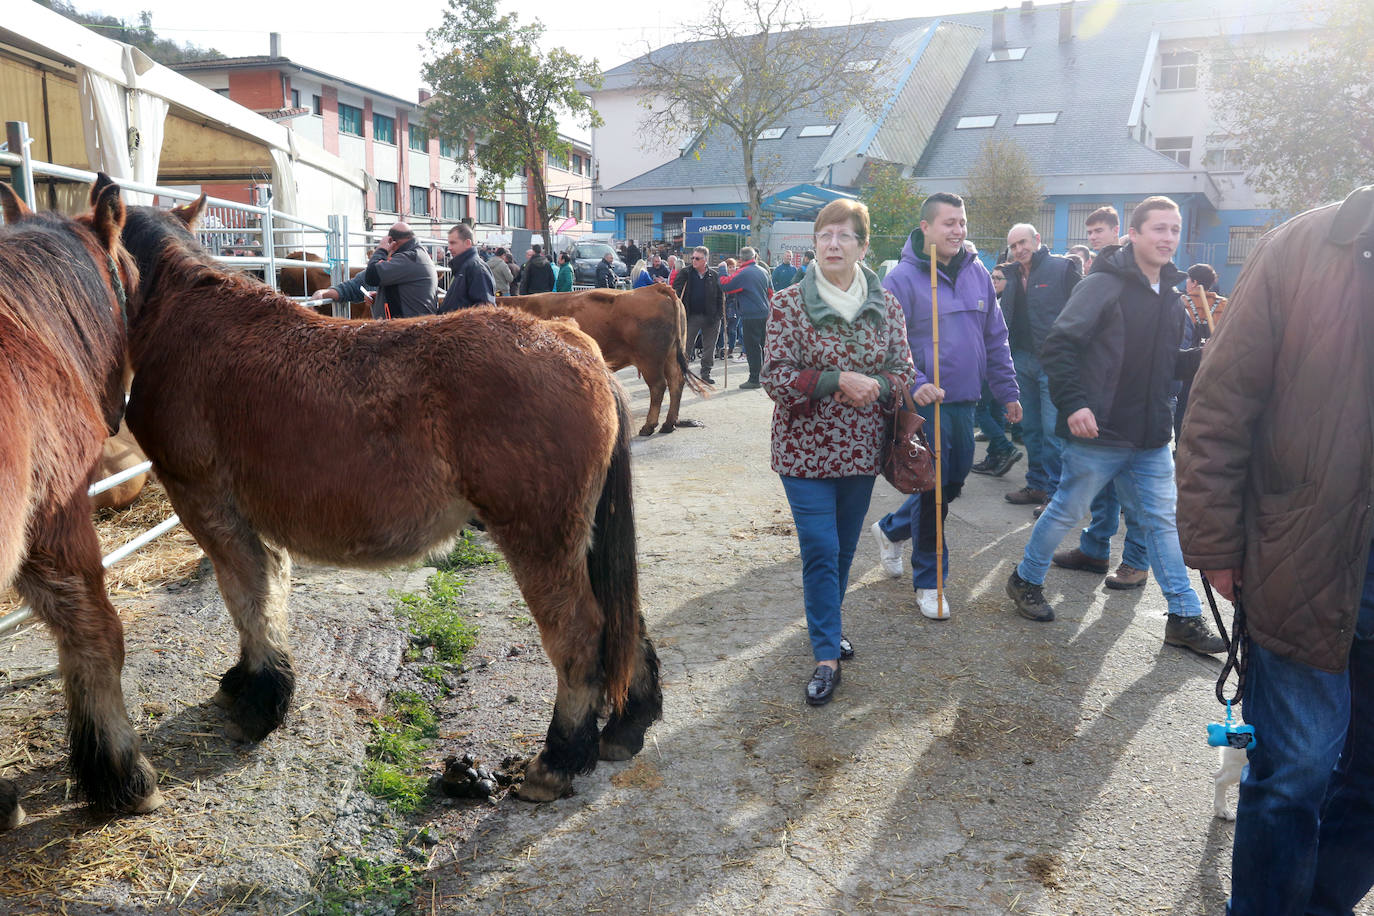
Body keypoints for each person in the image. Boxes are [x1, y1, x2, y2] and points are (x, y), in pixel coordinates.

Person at [1176, 184, 1374, 916]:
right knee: (1294, 772)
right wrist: (1215, 539)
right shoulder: (1302, 249)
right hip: (1302, 559)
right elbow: (1220, 403)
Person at [1004, 196, 1226, 656]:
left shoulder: (1170, 292)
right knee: (1066, 510)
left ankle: (1183, 616)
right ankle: (1025, 579)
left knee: (1163, 521)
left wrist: (1205, 356)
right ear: (1135, 234)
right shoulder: (1102, 283)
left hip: (1148, 433)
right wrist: (1074, 405)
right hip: (1099, 431)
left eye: (1174, 230)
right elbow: (1059, 346)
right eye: (1159, 229)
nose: (1168, 238)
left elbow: (1165, 365)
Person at [763, 198, 916, 706]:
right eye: (825, 234)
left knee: (844, 550)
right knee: (821, 550)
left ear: (862, 245)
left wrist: (877, 384)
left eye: (844, 235)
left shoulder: (886, 304)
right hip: (803, 453)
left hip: (861, 451)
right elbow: (775, 378)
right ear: (814, 242)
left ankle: (828, 623)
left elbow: (903, 372)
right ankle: (826, 654)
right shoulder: (787, 302)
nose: (833, 243)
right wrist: (835, 381)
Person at [870, 192, 1021, 618]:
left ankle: (891, 528)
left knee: (949, 486)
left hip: (966, 402)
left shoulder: (978, 274)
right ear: (926, 228)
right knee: (934, 492)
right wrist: (915, 382)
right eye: (949, 223)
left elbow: (996, 337)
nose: (958, 230)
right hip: (923, 407)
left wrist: (1008, 391)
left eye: (962, 222)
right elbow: (883, 345)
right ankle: (931, 583)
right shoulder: (900, 278)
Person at [1054, 205, 1151, 589]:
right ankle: (1095, 549)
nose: (1093, 237)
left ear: (1119, 231)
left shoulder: (1138, 271)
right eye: (1090, 232)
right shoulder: (1099, 270)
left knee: (1137, 494)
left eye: (1100, 231)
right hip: (1101, 395)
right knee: (1103, 487)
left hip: (1132, 401)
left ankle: (1137, 563)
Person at [1000, 222, 1082, 513]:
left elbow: (1082, 311)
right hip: (1020, 359)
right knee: (1030, 428)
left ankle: (1056, 493)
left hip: (1054, 362)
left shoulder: (1062, 269)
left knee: (1052, 430)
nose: (1020, 249)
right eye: (1014, 245)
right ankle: (1037, 484)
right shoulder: (1008, 274)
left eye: (1024, 242)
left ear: (1037, 239)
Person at [970, 262, 1023, 477]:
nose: (994, 282)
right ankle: (995, 456)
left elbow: (998, 338)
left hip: (990, 364)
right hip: (990, 364)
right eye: (992, 277)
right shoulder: (994, 298)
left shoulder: (1002, 304)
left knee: (980, 409)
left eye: (998, 278)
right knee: (993, 410)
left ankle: (1005, 447)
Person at [719, 246, 772, 389]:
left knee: (752, 347)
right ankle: (764, 377)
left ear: (741, 259)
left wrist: (722, 269)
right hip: (765, 313)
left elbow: (725, 285)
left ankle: (755, 379)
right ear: (754, 257)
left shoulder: (743, 273)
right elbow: (771, 292)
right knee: (762, 346)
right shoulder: (764, 271)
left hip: (750, 315)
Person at [672, 246, 726, 385]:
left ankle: (705, 373)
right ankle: (681, 373)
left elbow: (721, 297)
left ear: (705, 260)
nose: (694, 260)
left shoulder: (714, 275)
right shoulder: (686, 273)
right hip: (691, 316)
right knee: (686, 347)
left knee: (709, 348)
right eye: (693, 258)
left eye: (697, 258)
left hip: (711, 318)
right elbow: (675, 292)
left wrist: (719, 315)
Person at [361, 221, 438, 319]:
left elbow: (371, 276)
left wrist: (381, 249)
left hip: (408, 329)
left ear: (392, 242)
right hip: (414, 325)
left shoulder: (409, 258)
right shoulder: (415, 255)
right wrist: (381, 297)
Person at [440, 222, 495, 311]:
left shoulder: (476, 268)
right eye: (449, 243)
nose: (449, 248)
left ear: (468, 243)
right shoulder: (464, 267)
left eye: (453, 243)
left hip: (461, 324)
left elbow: (484, 309)